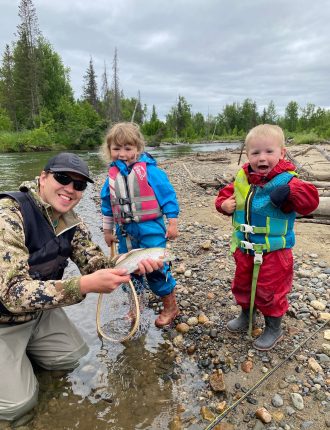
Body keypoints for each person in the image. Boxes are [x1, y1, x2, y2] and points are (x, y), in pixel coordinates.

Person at [0, 152, 163, 422]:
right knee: (16, 407)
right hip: (3, 318)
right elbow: (13, 294)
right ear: (42, 177)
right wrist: (84, 285)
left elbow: (95, 264)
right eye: (62, 178)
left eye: (79, 185)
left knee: (71, 357)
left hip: (41, 311)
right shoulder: (9, 215)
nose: (70, 189)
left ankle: (24, 358)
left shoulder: (70, 220)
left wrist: (129, 262)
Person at [215, 124, 319, 351]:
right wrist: (223, 205)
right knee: (242, 283)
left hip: (274, 252)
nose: (262, 158)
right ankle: (246, 314)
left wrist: (292, 192)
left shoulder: (289, 181)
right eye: (255, 153)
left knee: (271, 289)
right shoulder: (243, 178)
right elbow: (224, 196)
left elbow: (311, 202)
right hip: (244, 249)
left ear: (282, 153)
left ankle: (274, 326)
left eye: (269, 152)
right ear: (247, 154)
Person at [100, 122, 180, 328]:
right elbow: (107, 207)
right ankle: (135, 306)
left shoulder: (151, 172)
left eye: (128, 148)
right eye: (116, 148)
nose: (122, 153)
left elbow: (168, 197)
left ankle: (170, 306)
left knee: (156, 269)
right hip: (125, 233)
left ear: (138, 148)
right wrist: (107, 231)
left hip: (151, 231)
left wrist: (173, 222)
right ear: (109, 150)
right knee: (127, 270)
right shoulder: (110, 178)